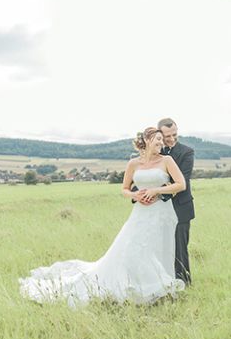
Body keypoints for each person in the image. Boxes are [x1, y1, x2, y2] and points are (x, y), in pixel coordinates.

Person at [19, 127, 186, 306]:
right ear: (146, 140)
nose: (161, 143)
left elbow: (180, 184)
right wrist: (134, 195)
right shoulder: (133, 164)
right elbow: (124, 189)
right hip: (140, 212)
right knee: (131, 248)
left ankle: (157, 287)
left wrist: (156, 190)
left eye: (162, 139)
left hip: (161, 212)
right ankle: (133, 287)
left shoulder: (167, 160)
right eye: (157, 139)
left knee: (156, 248)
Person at [157, 118, 195, 285]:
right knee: (161, 247)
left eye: (175, 135)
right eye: (167, 136)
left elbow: (182, 181)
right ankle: (164, 281)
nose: (171, 139)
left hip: (181, 207)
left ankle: (184, 283)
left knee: (180, 248)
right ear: (159, 134)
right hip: (157, 208)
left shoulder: (187, 152)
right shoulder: (155, 153)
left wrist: (158, 191)